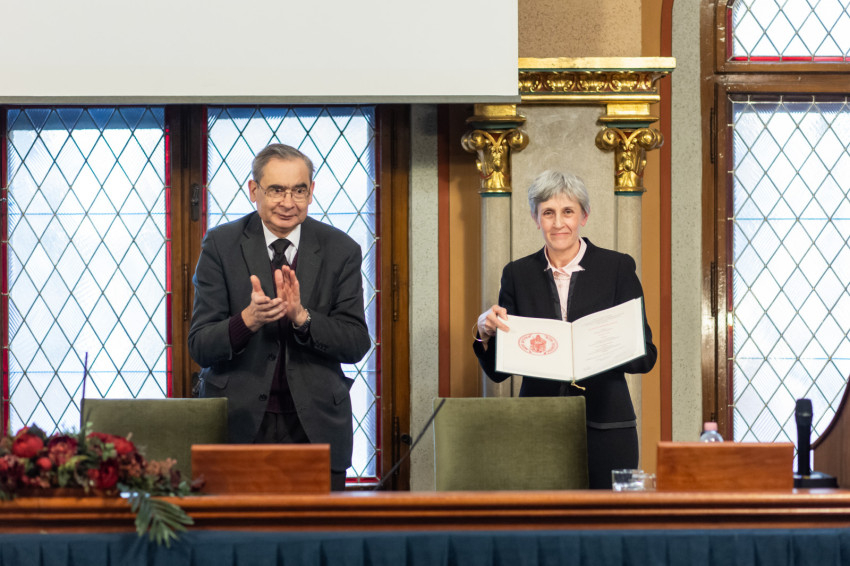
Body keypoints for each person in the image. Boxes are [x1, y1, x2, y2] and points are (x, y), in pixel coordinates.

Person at [188, 143, 370, 491]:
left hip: (316, 427)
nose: (288, 202)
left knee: (315, 528)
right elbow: (199, 345)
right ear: (253, 190)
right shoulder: (221, 245)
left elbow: (356, 343)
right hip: (236, 424)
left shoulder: (341, 250)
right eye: (276, 190)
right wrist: (247, 321)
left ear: (311, 192)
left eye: (298, 190)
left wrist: (303, 318)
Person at [473, 170, 657, 489]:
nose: (558, 223)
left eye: (568, 211)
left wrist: (610, 344)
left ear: (584, 216)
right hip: (538, 426)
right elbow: (500, 372)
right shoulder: (517, 274)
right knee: (541, 517)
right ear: (536, 218)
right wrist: (484, 334)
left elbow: (646, 358)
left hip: (608, 426)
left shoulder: (617, 268)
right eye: (548, 212)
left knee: (608, 516)